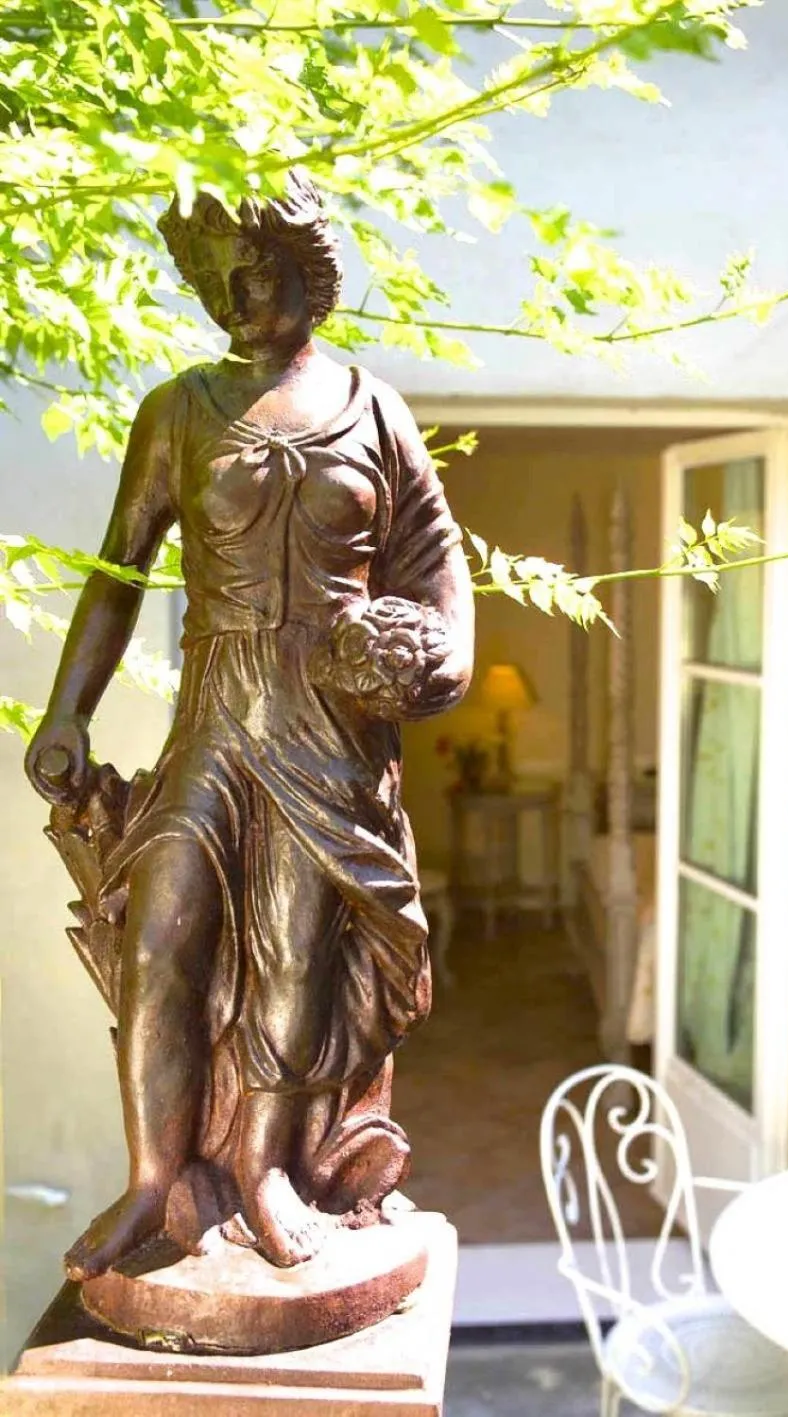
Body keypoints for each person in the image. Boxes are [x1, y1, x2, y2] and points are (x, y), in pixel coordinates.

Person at [25, 172, 475, 1277]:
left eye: (258, 270)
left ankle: (269, 1174)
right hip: (217, 715)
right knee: (161, 936)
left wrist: (439, 662)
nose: (235, 292)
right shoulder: (176, 409)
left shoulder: (375, 410)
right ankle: (152, 1183)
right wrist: (66, 710)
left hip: (328, 724)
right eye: (215, 275)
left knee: (290, 958)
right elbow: (116, 572)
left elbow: (437, 565)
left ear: (312, 277)